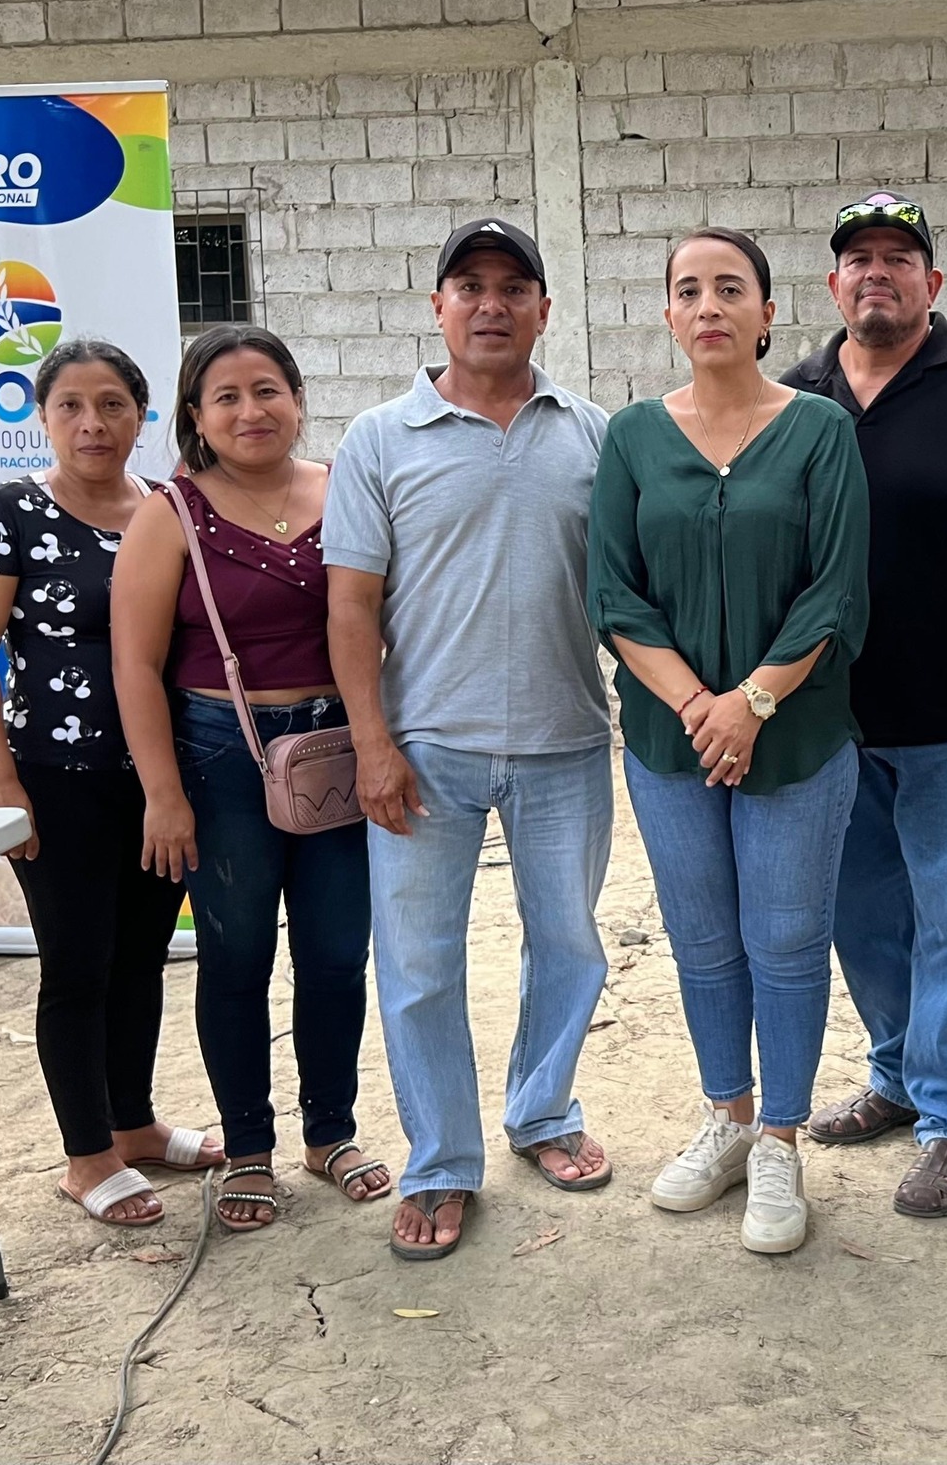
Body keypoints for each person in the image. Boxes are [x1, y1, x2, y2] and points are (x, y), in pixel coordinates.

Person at [324, 219, 616, 1262]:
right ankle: (442, 1160)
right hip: (423, 749)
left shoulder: (593, 434)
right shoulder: (377, 439)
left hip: (565, 738)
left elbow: (628, 589)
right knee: (417, 965)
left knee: (570, 945)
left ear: (545, 309)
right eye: (470, 286)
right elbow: (350, 606)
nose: (491, 304)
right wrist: (371, 742)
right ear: (438, 307)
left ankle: (543, 1112)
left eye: (513, 287)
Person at [589, 227, 870, 1255]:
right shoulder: (631, 437)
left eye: (729, 288)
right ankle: (729, 1118)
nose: (707, 305)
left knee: (786, 945)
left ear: (766, 313)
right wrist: (696, 708)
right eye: (687, 290)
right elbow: (612, 591)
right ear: (668, 315)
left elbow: (835, 587)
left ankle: (782, 1140)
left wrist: (750, 703)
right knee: (704, 942)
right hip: (672, 748)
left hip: (796, 743)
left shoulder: (819, 431)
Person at [781, 192, 947, 1218]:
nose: (877, 274)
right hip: (828, 719)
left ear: (930, 283)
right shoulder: (797, 394)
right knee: (860, 916)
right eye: (859, 259)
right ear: (832, 285)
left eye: (898, 258)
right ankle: (897, 1076)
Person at [112, 325, 390, 1232]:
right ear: (195, 416)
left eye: (267, 390)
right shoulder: (170, 514)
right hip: (221, 757)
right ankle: (249, 1146)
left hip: (338, 746)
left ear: (298, 400)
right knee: (236, 958)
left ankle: (330, 1132)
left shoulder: (346, 487)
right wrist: (163, 794)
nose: (250, 411)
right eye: (225, 396)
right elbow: (134, 666)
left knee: (337, 952)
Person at [0, 339, 224, 1227]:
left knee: (142, 953)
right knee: (77, 962)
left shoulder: (170, 508)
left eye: (112, 405)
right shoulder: (5, 513)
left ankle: (132, 1123)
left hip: (163, 777)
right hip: (57, 779)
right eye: (70, 405)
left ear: (143, 415)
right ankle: (86, 1152)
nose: (92, 424)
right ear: (43, 416)